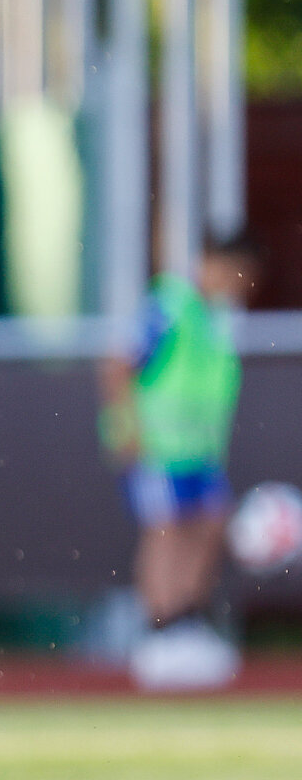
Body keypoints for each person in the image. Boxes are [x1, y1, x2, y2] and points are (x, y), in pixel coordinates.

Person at [101, 233, 260, 690]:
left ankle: (186, 620)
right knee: (165, 531)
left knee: (210, 523)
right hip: (158, 448)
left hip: (199, 452)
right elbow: (118, 364)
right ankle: (160, 630)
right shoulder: (170, 306)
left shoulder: (217, 319)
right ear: (209, 263)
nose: (235, 283)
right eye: (231, 271)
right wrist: (126, 428)